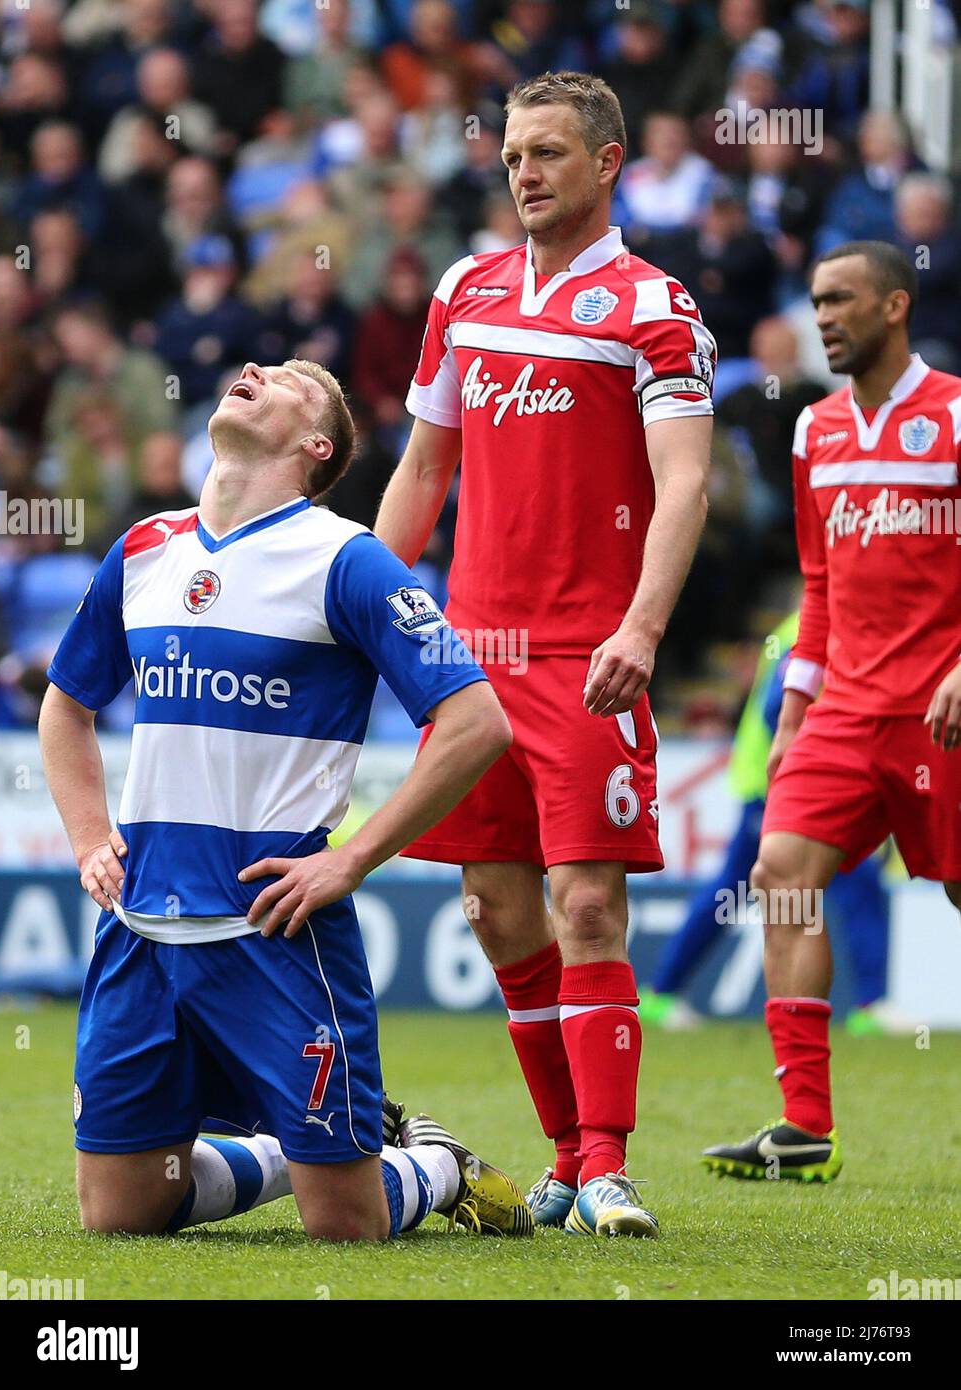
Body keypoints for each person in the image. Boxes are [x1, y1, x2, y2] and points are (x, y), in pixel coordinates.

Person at [38, 356, 531, 1241]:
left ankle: (433, 1167)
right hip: (141, 933)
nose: (256, 368)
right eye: (258, 367)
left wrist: (350, 858)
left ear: (317, 444)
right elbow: (66, 705)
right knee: (120, 1212)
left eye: (296, 380)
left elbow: (477, 722)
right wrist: (86, 837)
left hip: (274, 933)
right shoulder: (147, 547)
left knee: (344, 1227)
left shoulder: (347, 560)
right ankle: (288, 1152)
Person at [374, 71, 715, 1238]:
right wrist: (366, 609)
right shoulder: (465, 289)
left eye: (549, 153)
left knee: (584, 905)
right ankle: (567, 1156)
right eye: (514, 153)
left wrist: (641, 627)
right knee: (495, 910)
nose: (524, 172)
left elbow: (684, 482)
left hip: (586, 657)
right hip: (467, 657)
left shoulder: (653, 307)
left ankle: (610, 1164)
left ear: (607, 162)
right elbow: (423, 469)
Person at [702, 241, 961, 1182]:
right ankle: (805, 1123)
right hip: (847, 707)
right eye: (816, 302)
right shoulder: (815, 432)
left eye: (842, 300)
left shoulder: (958, 413)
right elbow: (819, 587)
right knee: (782, 870)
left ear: (896, 305)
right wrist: (796, 709)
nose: (825, 318)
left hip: (944, 711)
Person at [641, 612, 897, 1033]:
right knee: (743, 887)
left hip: (797, 779)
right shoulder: (821, 622)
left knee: (839, 881)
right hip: (776, 782)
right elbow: (778, 709)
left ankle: (869, 1004)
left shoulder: (804, 623)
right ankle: (663, 992)